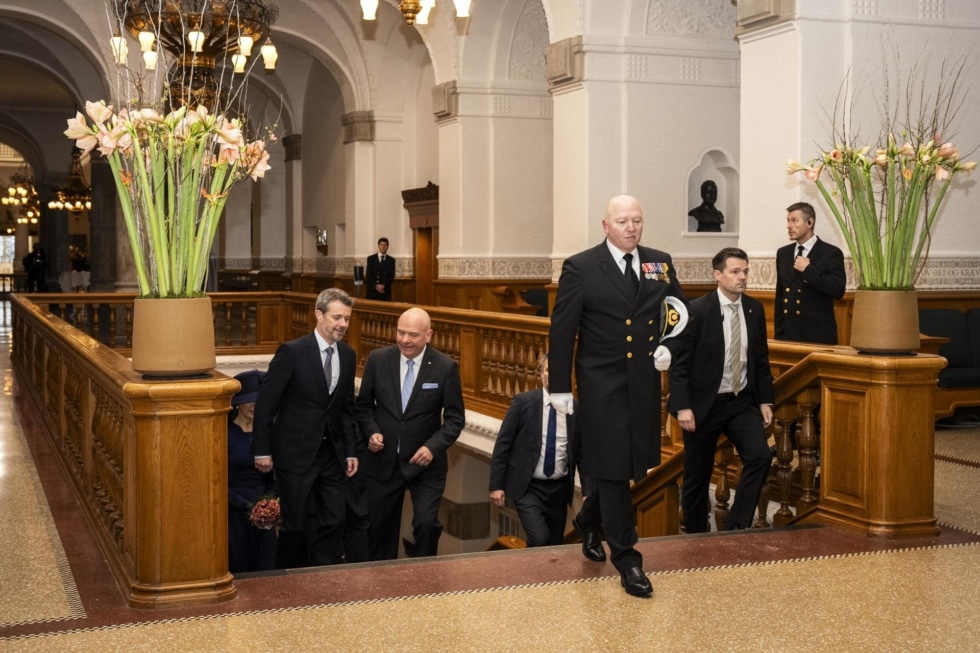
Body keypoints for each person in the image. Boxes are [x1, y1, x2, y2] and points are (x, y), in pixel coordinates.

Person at [548, 194, 687, 598]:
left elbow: (678, 309)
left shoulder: (658, 261)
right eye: (623, 221)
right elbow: (563, 330)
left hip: (643, 384)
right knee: (610, 468)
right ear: (606, 225)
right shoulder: (581, 266)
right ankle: (628, 560)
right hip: (600, 385)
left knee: (630, 468)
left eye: (637, 220)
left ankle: (590, 522)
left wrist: (670, 346)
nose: (631, 228)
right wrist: (559, 387)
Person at [667, 248, 775, 533]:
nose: (742, 277)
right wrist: (683, 406)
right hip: (704, 404)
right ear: (718, 275)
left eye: (745, 271)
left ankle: (736, 527)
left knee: (760, 456)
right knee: (697, 475)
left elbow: (760, 360)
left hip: (740, 401)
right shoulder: (697, 310)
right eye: (735, 272)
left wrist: (765, 400)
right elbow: (679, 364)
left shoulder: (754, 309)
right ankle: (695, 534)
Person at [252, 288, 359, 569]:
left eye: (347, 319)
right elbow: (266, 404)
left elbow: (346, 408)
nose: (343, 324)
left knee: (334, 520)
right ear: (318, 314)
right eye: (337, 317)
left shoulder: (348, 355)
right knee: (296, 526)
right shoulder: (292, 352)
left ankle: (322, 581)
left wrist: (351, 452)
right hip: (295, 455)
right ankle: (287, 581)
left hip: (332, 456)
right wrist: (262, 450)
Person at [355, 307, 465, 560]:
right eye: (401, 332)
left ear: (429, 335)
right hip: (383, 461)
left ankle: (422, 583)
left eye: (413, 335)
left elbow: (455, 419)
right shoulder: (378, 359)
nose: (405, 339)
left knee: (426, 524)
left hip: (424, 464)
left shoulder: (445, 367)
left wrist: (432, 447)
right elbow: (362, 407)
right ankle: (380, 587)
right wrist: (371, 432)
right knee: (379, 528)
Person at [489, 354, 583, 547]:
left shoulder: (575, 409)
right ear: (541, 374)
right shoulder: (523, 403)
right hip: (528, 487)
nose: (553, 375)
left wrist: (588, 490)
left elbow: (582, 453)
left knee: (554, 545)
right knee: (540, 539)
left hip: (559, 490)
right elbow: (503, 445)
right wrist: (496, 485)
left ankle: (541, 577)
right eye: (548, 369)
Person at [775, 202, 846, 345]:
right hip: (788, 336)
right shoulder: (783, 253)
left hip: (818, 336)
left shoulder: (831, 253)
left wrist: (808, 270)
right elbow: (780, 296)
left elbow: (837, 290)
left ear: (809, 222)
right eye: (788, 221)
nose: (789, 226)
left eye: (794, 220)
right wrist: (779, 334)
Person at [227, 369, 277, 573]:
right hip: (233, 509)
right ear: (237, 402)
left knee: (266, 565)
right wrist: (245, 506)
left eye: (260, 400)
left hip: (264, 510)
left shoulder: (269, 433)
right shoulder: (223, 433)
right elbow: (216, 479)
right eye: (250, 400)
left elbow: (276, 475)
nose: (255, 405)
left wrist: (268, 504)